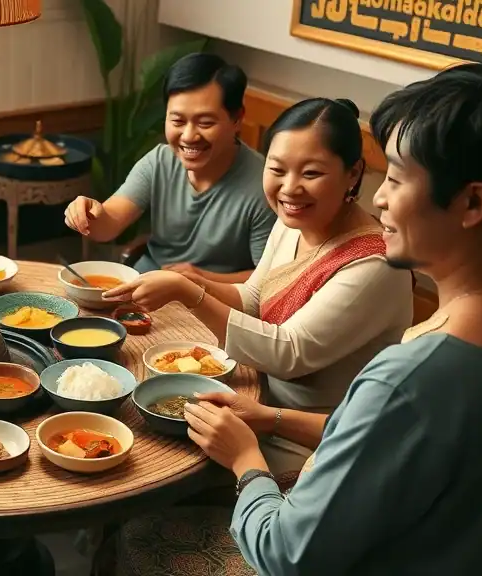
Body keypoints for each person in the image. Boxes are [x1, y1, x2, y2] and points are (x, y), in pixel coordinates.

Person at [118, 64, 482, 575]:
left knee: (137, 510)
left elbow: (287, 553)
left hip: (298, 507)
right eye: (277, 167)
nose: (382, 197)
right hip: (280, 421)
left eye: (397, 178)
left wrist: (247, 456)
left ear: (472, 201)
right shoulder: (440, 353)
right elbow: (257, 298)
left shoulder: (406, 372)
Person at [104, 97, 413, 477]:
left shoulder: (375, 264)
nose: (290, 188)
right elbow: (252, 298)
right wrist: (189, 280)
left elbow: (287, 351)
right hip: (249, 399)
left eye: (311, 174)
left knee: (150, 466)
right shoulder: (291, 223)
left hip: (308, 439)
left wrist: (189, 293)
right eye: (277, 169)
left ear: (353, 174)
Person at [64, 53, 277, 282]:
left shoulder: (263, 185)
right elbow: (108, 224)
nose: (188, 136)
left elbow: (269, 280)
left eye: (205, 123)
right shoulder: (159, 161)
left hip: (210, 304)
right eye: (177, 121)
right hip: (144, 287)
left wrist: (200, 279)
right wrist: (86, 213)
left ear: (237, 119)